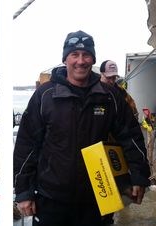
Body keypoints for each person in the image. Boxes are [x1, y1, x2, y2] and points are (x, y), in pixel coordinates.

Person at [13, 30, 150, 225]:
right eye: (74, 55)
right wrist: (24, 191)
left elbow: (131, 137)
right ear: (65, 59)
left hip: (99, 196)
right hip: (51, 198)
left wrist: (138, 176)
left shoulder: (109, 96)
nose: (81, 61)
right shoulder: (45, 96)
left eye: (86, 55)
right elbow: (26, 146)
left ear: (92, 59)